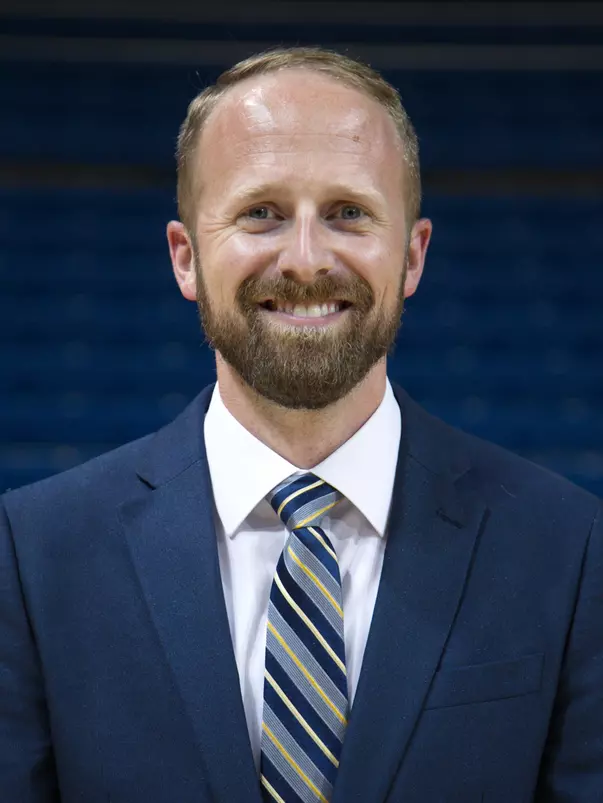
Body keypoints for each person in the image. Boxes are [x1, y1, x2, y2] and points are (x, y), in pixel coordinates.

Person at [1, 46, 601, 803]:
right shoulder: (30, 555)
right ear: (185, 259)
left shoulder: (571, 548)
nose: (307, 258)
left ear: (412, 256)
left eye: (348, 214)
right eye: (262, 214)